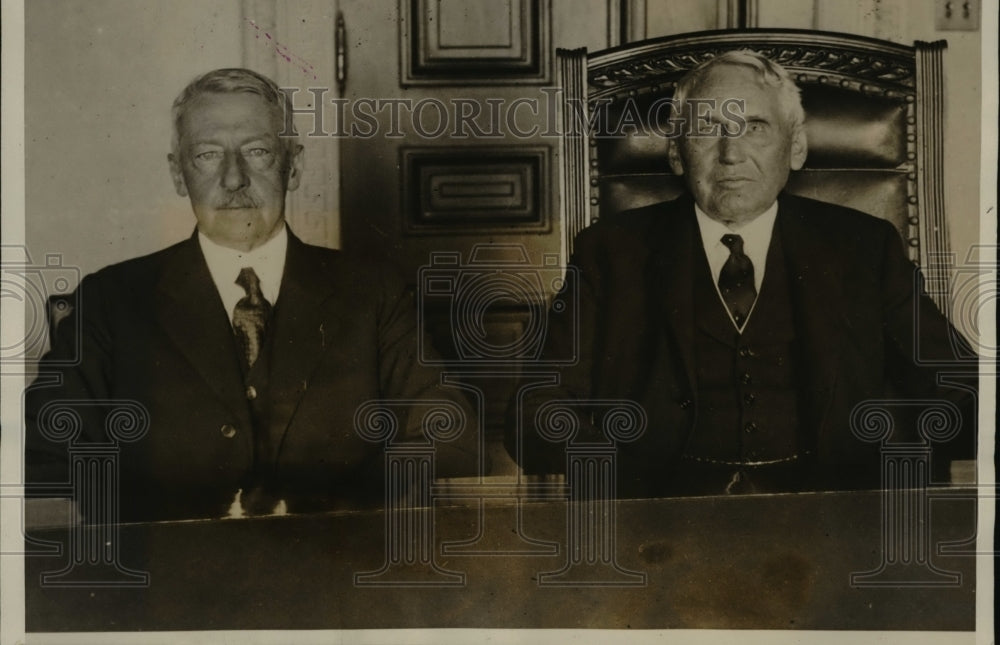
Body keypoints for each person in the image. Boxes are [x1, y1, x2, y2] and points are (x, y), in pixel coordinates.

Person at [507, 50, 976, 497]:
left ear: (795, 148)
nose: (731, 154)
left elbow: (964, 392)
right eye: (708, 128)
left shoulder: (865, 247)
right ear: (676, 154)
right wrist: (631, 483)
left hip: (832, 520)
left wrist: (878, 460)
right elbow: (533, 417)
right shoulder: (609, 252)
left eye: (755, 127)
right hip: (661, 525)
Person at [25, 68, 476, 521]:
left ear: (293, 166)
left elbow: (451, 439)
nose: (233, 179)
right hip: (167, 578)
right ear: (179, 174)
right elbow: (47, 460)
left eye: (257, 152)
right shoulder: (110, 302)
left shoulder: (374, 293)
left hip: (336, 569)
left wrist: (326, 506)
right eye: (206, 155)